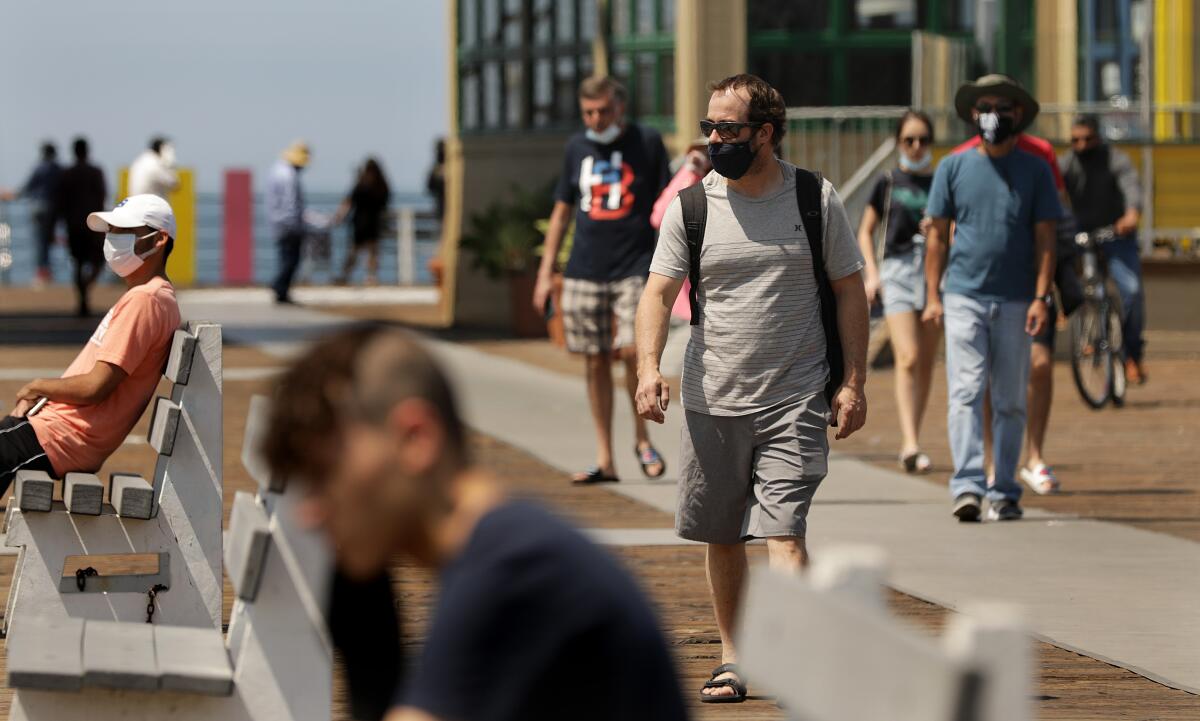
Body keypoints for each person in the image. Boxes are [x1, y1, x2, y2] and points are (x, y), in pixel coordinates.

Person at [259, 325, 690, 721]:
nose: (308, 512)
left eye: (322, 475)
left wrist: (361, 624)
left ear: (416, 439)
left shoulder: (517, 574)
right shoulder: (506, 551)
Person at [635, 74, 869, 702]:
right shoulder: (694, 205)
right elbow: (657, 292)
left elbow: (850, 289)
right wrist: (647, 369)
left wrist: (852, 383)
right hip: (711, 394)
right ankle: (735, 657)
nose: (716, 139)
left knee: (784, 533)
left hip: (795, 392)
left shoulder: (814, 199)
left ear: (765, 133)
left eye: (729, 129)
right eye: (709, 128)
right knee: (722, 535)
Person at [923, 74, 1059, 522]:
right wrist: (934, 296)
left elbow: (1046, 239)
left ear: (1019, 114)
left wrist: (1042, 297)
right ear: (971, 115)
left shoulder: (1036, 169)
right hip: (962, 295)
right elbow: (937, 237)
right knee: (964, 391)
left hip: (1019, 300)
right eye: (986, 106)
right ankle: (967, 486)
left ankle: (1004, 489)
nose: (994, 115)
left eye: (1004, 107)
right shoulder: (953, 167)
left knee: (1010, 398)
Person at [532, 76, 671, 484]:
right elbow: (561, 211)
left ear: (620, 108)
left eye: (604, 111)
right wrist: (545, 274)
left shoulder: (646, 142)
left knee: (632, 351)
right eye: (589, 112)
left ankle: (642, 440)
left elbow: (668, 203)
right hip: (584, 268)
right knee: (593, 359)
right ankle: (605, 458)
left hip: (635, 264)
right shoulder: (576, 148)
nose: (597, 119)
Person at [2, 195, 181, 493]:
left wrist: (37, 386)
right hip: (55, 430)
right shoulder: (151, 296)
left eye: (124, 233)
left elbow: (95, 387)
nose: (113, 241)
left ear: (159, 239)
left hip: (64, 437)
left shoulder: (145, 300)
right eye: (111, 232)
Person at [951, 119, 1073, 496]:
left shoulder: (1041, 155)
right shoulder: (960, 159)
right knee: (981, 384)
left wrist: (1046, 288)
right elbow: (952, 226)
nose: (995, 115)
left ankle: (1033, 456)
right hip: (975, 290)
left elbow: (1055, 216)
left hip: (1030, 289)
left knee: (1037, 367)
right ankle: (990, 465)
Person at [856, 110, 939, 473]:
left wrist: (939, 228)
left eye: (923, 139)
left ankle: (915, 435)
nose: (916, 146)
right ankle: (909, 442)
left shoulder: (941, 182)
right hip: (899, 271)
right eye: (909, 140)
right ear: (899, 142)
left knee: (925, 362)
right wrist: (872, 275)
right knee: (907, 355)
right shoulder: (888, 181)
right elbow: (865, 230)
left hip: (937, 274)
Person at [1060, 113, 1148, 385]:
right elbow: (1050, 190)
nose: (1081, 145)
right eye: (1075, 140)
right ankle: (1088, 333)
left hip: (1115, 234)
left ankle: (1132, 354)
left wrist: (1131, 214)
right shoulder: (1067, 163)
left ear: (1098, 138)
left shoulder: (1115, 159)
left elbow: (1131, 187)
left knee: (1131, 291)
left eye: (1087, 139)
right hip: (1081, 237)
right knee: (1076, 282)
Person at [650, 137, 712, 324]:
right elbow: (658, 217)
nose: (708, 158)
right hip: (691, 301)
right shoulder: (691, 184)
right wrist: (690, 171)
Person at [55, 137, 108, 317]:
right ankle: (85, 291)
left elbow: (60, 202)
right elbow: (102, 197)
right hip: (92, 224)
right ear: (87, 150)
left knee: (77, 263)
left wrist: (58, 224)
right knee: (98, 261)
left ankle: (82, 298)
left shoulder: (67, 174)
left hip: (73, 224)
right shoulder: (96, 172)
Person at [0, 142, 62, 287]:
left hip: (38, 207)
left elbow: (27, 187)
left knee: (39, 240)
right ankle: (48, 271)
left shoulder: (39, 168)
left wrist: (13, 195)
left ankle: (42, 272)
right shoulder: (58, 170)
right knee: (48, 240)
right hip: (53, 208)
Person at [334, 157, 391, 286]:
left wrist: (339, 216)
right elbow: (385, 203)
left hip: (360, 221)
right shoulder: (381, 185)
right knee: (372, 251)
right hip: (374, 221)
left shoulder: (361, 184)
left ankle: (345, 275)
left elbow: (348, 201)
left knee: (355, 250)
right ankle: (371, 277)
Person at [268, 140, 310, 304]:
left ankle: (281, 289)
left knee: (285, 257)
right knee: (291, 258)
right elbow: (291, 203)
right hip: (288, 222)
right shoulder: (289, 175)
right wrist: (296, 224)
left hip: (278, 220)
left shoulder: (276, 171)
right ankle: (279, 286)